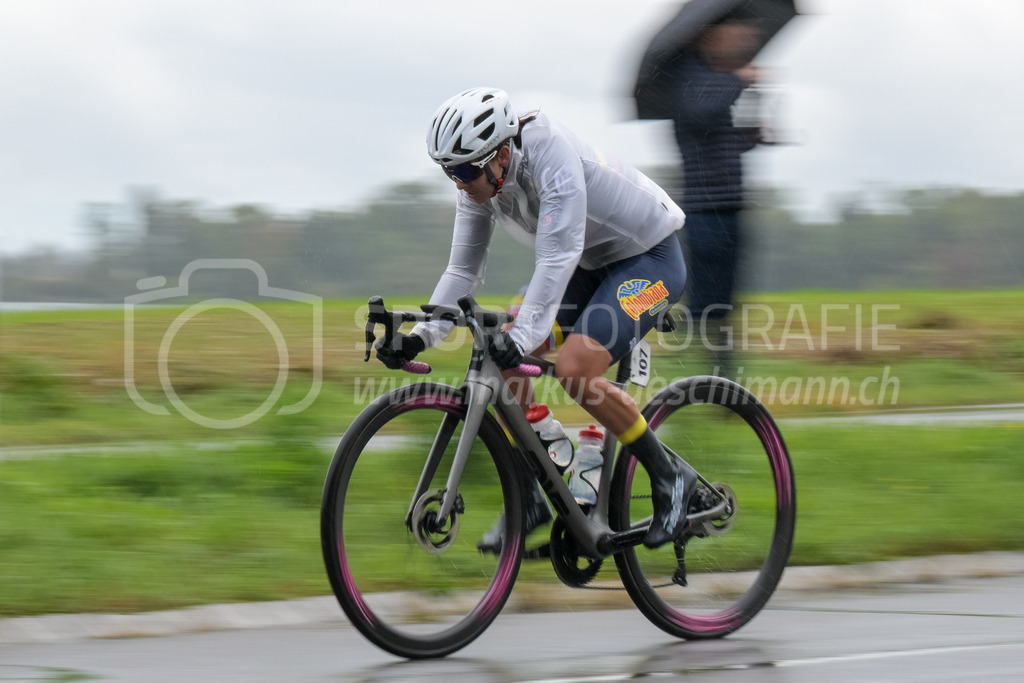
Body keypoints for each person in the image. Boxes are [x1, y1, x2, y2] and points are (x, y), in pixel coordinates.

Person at [375, 87, 696, 551]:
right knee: (498, 355)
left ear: (501, 154)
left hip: (649, 259)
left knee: (574, 370)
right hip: (588, 266)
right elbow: (463, 270)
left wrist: (524, 336)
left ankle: (671, 477)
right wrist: (420, 336)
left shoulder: (551, 153)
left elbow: (557, 253)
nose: (460, 184)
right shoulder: (480, 182)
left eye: (465, 171)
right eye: (450, 173)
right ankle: (534, 487)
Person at [671, 20, 764, 377]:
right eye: (729, 32)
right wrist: (741, 79)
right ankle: (693, 370)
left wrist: (750, 138)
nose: (739, 38)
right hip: (704, 208)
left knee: (724, 297)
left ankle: (721, 376)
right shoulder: (689, 79)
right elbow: (701, 114)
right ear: (705, 36)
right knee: (705, 300)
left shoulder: (713, 79)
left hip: (729, 204)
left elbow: (713, 135)